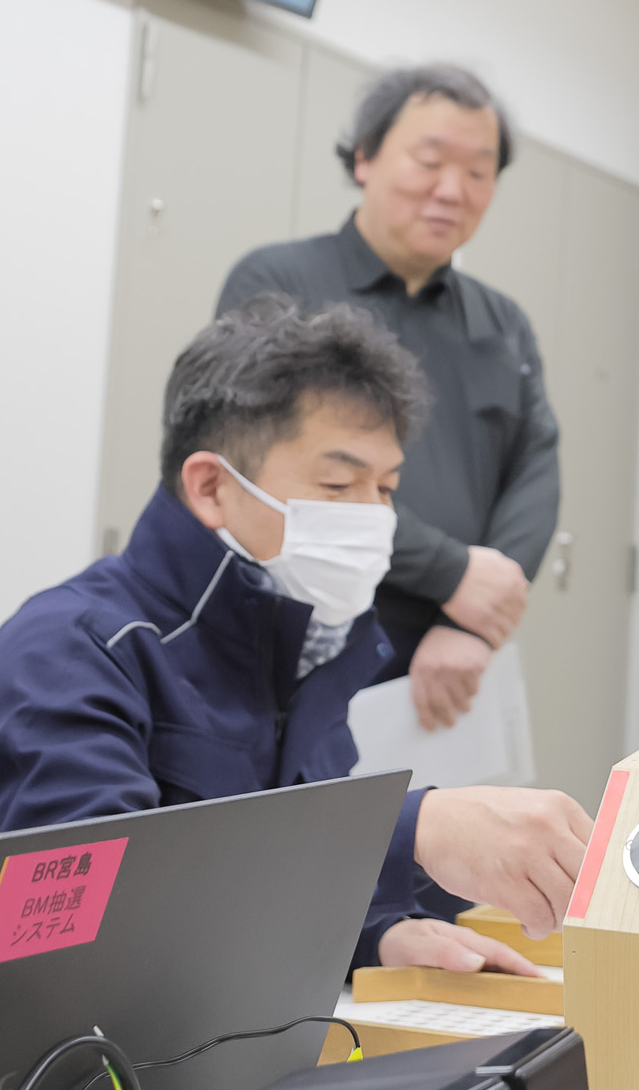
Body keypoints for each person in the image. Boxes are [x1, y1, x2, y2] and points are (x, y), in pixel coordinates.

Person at [0, 297, 590, 1090]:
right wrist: (409, 831)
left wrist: (375, 935)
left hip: (184, 1085)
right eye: (339, 483)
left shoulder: (304, 650)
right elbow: (90, 945)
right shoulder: (64, 658)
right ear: (210, 487)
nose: (376, 520)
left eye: (387, 488)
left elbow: (264, 886)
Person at [217, 65, 556, 732]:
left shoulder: (503, 323)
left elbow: (535, 470)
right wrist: (451, 573)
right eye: (429, 162)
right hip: (297, 649)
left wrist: (476, 622)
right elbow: (270, 468)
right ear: (365, 158)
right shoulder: (278, 282)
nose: (452, 190)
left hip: (451, 665)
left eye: (479, 172)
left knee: (451, 805)